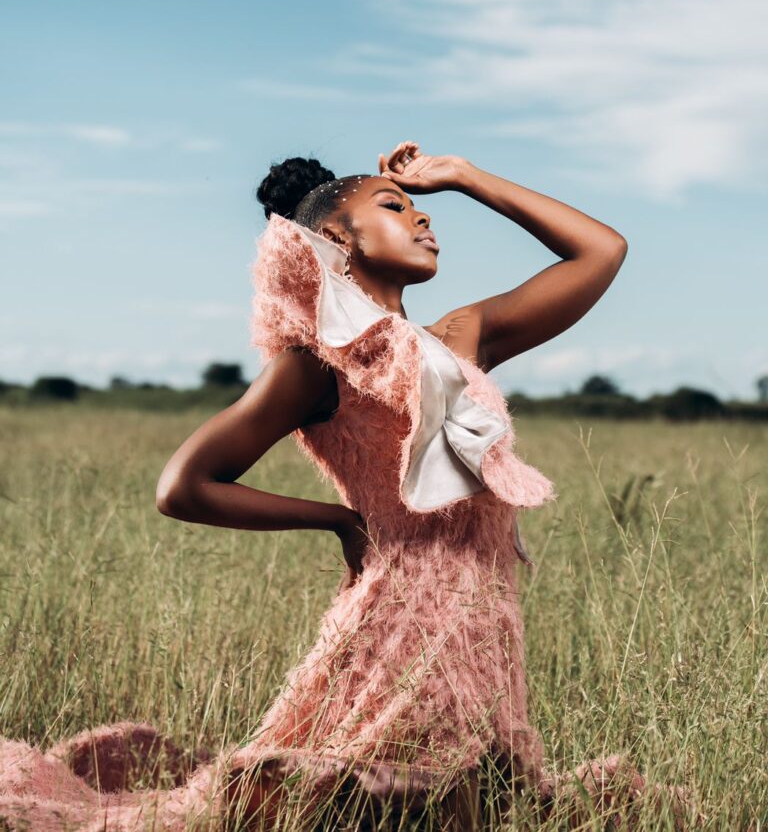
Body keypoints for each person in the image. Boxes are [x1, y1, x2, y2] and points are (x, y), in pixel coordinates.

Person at [0, 141, 691, 831]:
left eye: (420, 210)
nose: (422, 219)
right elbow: (184, 486)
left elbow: (601, 251)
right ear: (336, 239)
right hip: (401, 622)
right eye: (394, 206)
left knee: (474, 804)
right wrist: (336, 519)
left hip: (486, 623)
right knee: (378, 800)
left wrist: (464, 176)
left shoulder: (459, 338)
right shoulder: (313, 368)